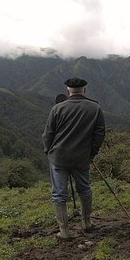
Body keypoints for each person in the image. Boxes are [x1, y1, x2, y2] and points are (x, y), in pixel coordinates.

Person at [42, 77, 106, 238]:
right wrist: (92, 153)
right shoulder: (95, 108)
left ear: (68, 90)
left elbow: (48, 134)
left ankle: (64, 231)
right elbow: (99, 134)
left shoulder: (57, 109)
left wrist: (48, 151)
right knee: (84, 190)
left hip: (58, 157)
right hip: (81, 158)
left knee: (59, 194)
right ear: (85, 90)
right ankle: (87, 223)